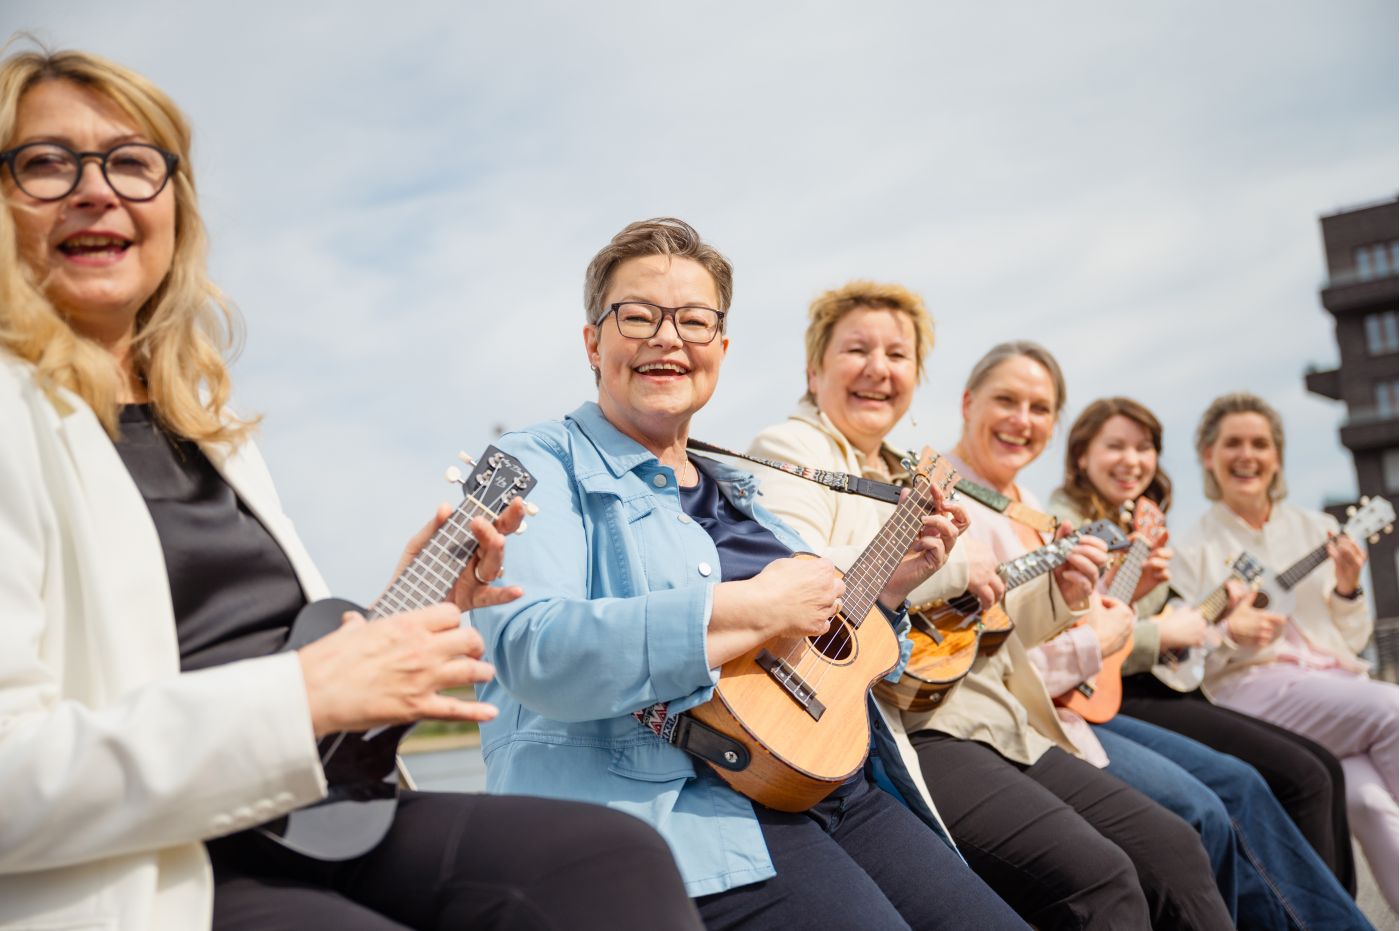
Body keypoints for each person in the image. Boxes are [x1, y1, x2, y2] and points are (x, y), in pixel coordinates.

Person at [0, 45, 701, 931]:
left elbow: (267, 665)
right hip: (149, 865)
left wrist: (402, 631)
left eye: (134, 163)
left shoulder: (204, 429)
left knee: (610, 859)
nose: (96, 189)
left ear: (174, 206)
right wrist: (305, 695)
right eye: (47, 162)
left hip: (310, 813)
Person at [470, 220, 1027, 930]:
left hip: (838, 781)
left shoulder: (740, 486)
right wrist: (748, 607)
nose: (667, 338)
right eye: (637, 316)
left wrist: (885, 589)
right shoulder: (531, 464)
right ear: (592, 342)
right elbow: (532, 648)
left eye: (694, 321)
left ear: (721, 350)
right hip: (683, 809)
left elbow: (812, 647)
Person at [751, 305, 1226, 928]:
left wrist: (1061, 591)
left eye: (898, 356)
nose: (878, 369)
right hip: (911, 727)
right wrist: (952, 566)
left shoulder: (905, 470)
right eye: (856, 351)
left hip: (984, 715)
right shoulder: (790, 449)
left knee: (1176, 842)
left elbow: (974, 629)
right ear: (815, 372)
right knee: (1112, 874)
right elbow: (797, 575)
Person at [1049, 396, 1369, 927]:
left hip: (1151, 684)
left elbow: (1168, 627)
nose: (1132, 460)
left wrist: (1205, 613)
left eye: (1144, 447)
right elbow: (1094, 633)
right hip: (1123, 693)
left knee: (1317, 769)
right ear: (1081, 456)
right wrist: (1183, 627)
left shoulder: (1136, 525)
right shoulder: (1065, 524)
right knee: (1275, 781)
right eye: (1116, 447)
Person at [1173, 391, 1400, 912]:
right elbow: (1189, 660)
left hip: (1329, 686)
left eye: (1260, 443)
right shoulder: (1193, 549)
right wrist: (1232, 632)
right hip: (1250, 691)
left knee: (1366, 802)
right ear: (1209, 455)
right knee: (1392, 708)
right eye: (1232, 443)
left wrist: (1347, 587)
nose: (1246, 455)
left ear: (1277, 456)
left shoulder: (1318, 530)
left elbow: (1351, 634)